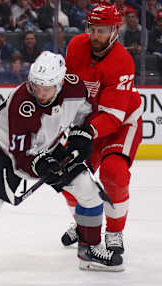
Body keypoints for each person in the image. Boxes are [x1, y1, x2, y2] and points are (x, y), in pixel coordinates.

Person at [0, 51, 124, 280]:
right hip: (5, 152)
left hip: (50, 143)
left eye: (47, 88)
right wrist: (43, 165)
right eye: (36, 86)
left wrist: (80, 135)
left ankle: (89, 251)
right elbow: (21, 157)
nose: (41, 93)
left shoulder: (75, 88)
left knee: (89, 190)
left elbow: (86, 113)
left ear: (60, 82)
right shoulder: (22, 104)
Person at [60, 4, 142, 256]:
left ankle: (114, 231)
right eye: (92, 29)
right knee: (66, 174)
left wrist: (87, 131)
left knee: (114, 173)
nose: (95, 36)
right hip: (90, 121)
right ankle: (84, 224)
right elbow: (71, 90)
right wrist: (70, 127)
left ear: (115, 31)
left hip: (121, 122)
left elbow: (113, 116)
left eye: (102, 31)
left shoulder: (122, 61)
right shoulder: (76, 46)